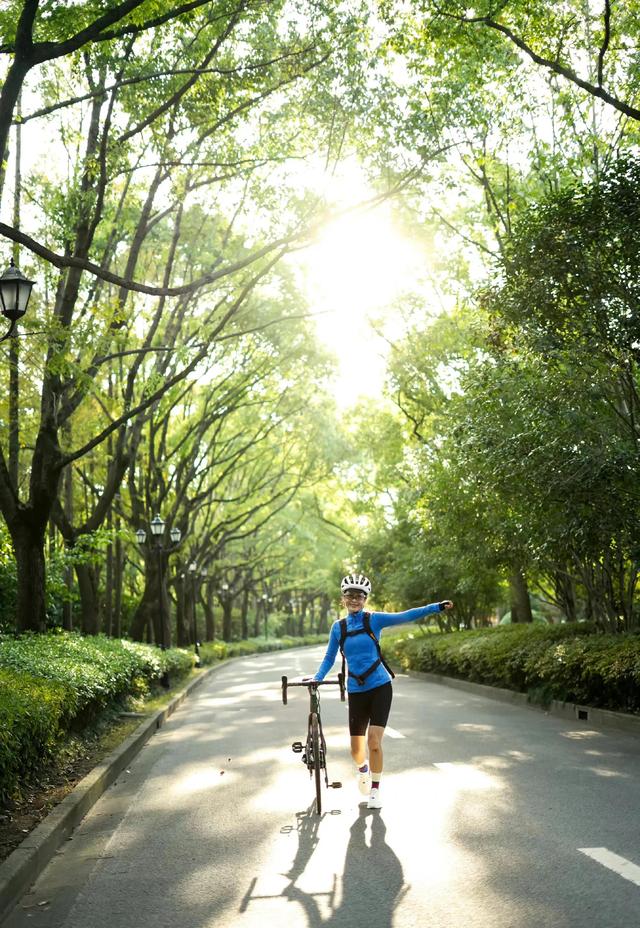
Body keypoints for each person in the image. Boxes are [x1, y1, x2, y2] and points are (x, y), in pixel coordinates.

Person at [309, 573, 453, 810]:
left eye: (359, 596)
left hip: (380, 687)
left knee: (374, 741)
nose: (354, 600)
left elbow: (406, 615)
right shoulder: (338, 628)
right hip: (356, 690)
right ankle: (363, 770)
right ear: (343, 599)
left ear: (365, 599)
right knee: (356, 750)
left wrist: (436, 607)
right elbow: (329, 657)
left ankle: (375, 790)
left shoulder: (374, 620)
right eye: (350, 596)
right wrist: (318, 678)